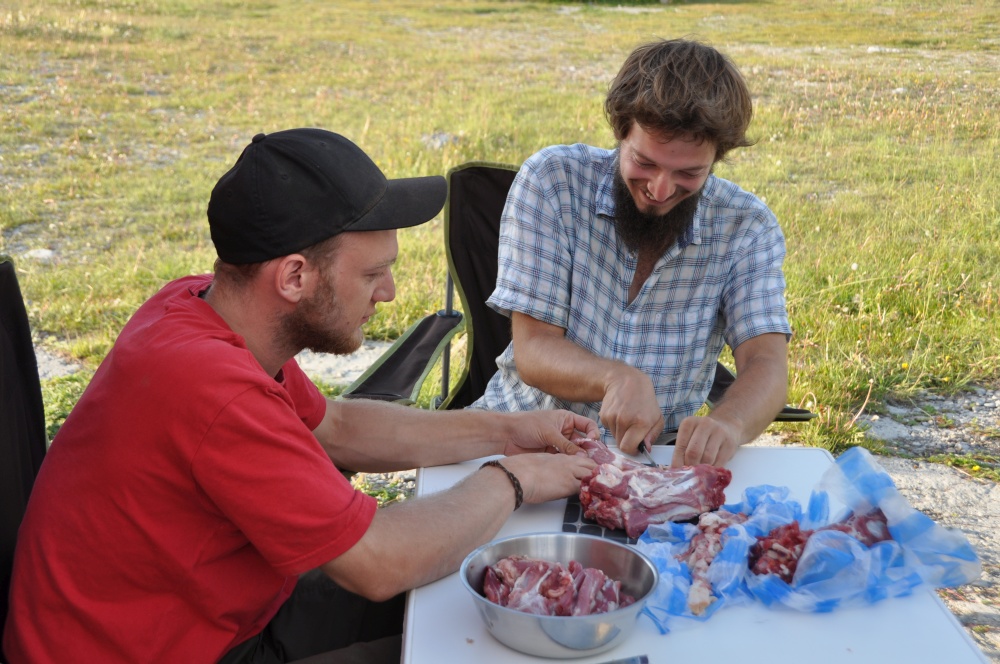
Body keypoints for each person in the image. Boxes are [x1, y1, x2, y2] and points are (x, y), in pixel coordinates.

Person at [3, 128, 599, 664]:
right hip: (168, 650)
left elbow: (334, 426)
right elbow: (379, 563)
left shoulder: (200, 310)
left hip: (213, 617)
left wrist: (508, 429)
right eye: (372, 274)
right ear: (293, 277)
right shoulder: (216, 393)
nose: (388, 292)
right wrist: (512, 479)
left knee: (475, 595)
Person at [471, 38, 792, 469]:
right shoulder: (553, 182)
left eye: (689, 173)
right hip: (520, 438)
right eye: (645, 162)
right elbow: (534, 349)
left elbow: (766, 361)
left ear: (718, 157)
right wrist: (614, 377)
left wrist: (730, 422)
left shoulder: (747, 227)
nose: (660, 190)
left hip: (651, 460)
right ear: (621, 131)